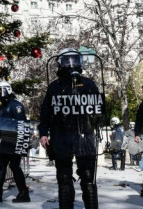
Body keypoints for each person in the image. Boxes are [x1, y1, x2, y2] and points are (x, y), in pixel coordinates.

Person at [39, 48, 102, 209]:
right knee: (64, 177)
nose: (71, 64)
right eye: (67, 61)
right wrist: (43, 133)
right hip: (61, 135)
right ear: (60, 63)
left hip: (84, 134)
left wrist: (97, 126)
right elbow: (46, 112)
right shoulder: (55, 87)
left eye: (74, 60)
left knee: (88, 176)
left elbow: (99, 110)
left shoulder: (88, 84)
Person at [0, 81, 29, 203]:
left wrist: (23, 143)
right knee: (3, 166)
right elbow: (0, 126)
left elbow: (23, 124)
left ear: (8, 90)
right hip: (6, 141)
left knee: (13, 166)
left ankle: (23, 193)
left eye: (1, 90)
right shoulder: (0, 108)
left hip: (15, 140)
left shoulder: (16, 105)